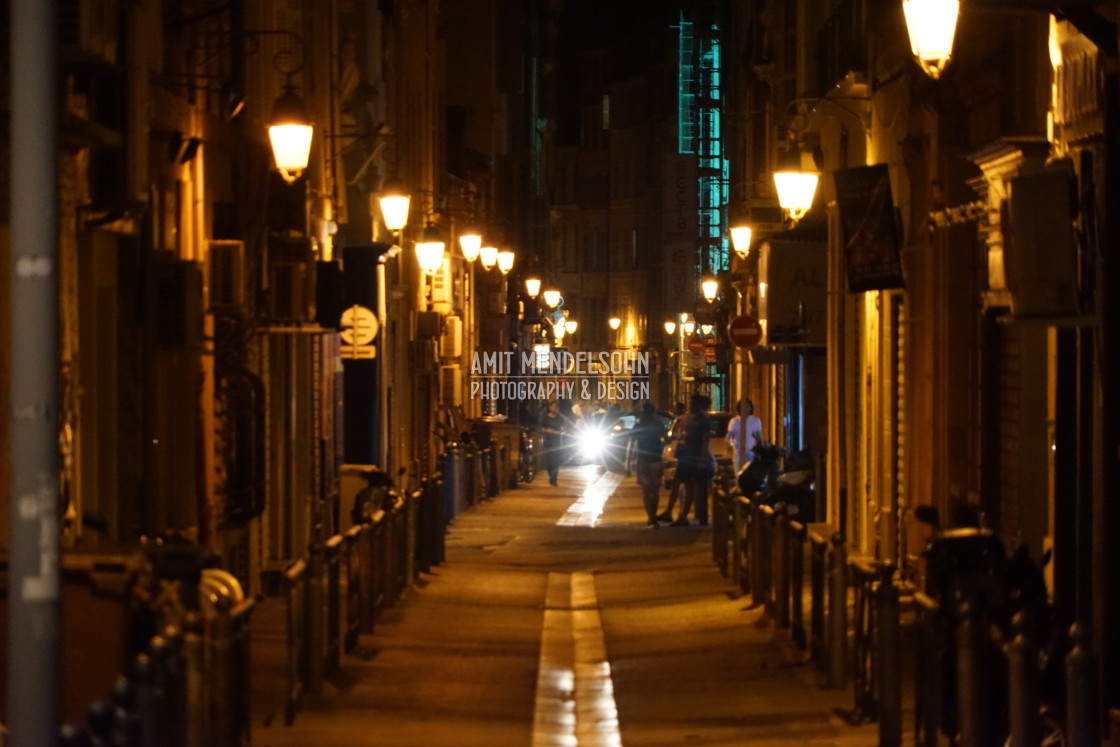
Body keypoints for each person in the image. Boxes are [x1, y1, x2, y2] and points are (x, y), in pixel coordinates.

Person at [672, 393, 713, 526]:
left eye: (694, 403)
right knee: (681, 484)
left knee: (694, 487)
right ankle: (679, 514)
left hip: (695, 457)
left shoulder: (703, 420)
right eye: (691, 403)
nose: (691, 406)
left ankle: (692, 516)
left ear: (700, 405)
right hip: (686, 455)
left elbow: (705, 440)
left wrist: (702, 459)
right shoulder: (689, 418)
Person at [630, 403, 667, 526]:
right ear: (653, 412)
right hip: (656, 459)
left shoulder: (638, 426)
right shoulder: (658, 424)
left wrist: (629, 462)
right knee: (655, 489)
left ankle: (651, 516)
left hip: (643, 460)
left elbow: (631, 445)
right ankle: (654, 515)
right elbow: (667, 440)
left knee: (646, 490)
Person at [726, 398, 764, 474]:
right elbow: (729, 437)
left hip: (751, 453)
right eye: (743, 407)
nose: (746, 409)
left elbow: (759, 437)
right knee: (739, 476)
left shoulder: (756, 421)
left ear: (751, 408)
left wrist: (761, 448)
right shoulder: (735, 421)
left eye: (748, 406)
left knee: (751, 476)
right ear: (739, 408)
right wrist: (732, 445)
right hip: (739, 453)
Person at [541, 400, 566, 485]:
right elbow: (541, 428)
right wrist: (546, 430)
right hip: (548, 441)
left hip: (557, 441)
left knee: (556, 460)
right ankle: (551, 473)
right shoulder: (545, 418)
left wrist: (558, 432)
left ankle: (554, 478)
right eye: (554, 406)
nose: (555, 408)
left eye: (556, 406)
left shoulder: (560, 419)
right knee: (549, 460)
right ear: (550, 407)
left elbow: (563, 430)